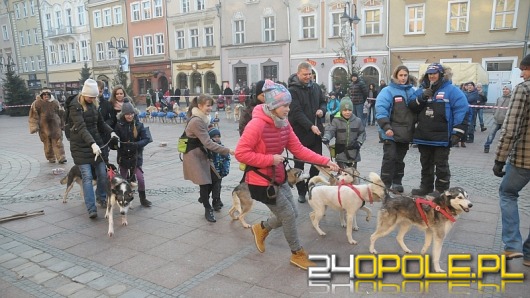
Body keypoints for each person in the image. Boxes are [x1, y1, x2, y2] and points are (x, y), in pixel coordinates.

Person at [235, 79, 339, 270]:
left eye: (289, 105)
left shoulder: (283, 123)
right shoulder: (256, 125)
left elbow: (298, 149)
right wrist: (269, 159)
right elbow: (241, 153)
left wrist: (325, 162)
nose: (288, 109)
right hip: (260, 181)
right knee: (288, 215)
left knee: (293, 213)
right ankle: (297, 254)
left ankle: (262, 227)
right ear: (273, 105)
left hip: (278, 176)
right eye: (284, 105)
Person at [492, 54, 530, 266]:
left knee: (507, 193)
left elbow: (510, 128)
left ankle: (512, 246)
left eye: (524, 69)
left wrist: (499, 159)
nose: (522, 73)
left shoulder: (524, 89)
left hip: (524, 159)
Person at [409, 63, 469, 196]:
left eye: (434, 73)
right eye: (429, 74)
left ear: (442, 75)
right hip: (423, 136)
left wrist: (458, 132)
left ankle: (441, 190)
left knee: (441, 166)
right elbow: (412, 106)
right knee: (425, 164)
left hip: (442, 138)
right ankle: (426, 187)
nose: (431, 76)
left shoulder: (452, 91)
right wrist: (422, 97)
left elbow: (462, 109)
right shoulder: (421, 90)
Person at [67, 79, 119, 218]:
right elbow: (82, 128)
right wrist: (92, 144)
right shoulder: (75, 106)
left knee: (102, 174)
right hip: (80, 147)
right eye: (90, 97)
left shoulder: (94, 105)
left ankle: (101, 197)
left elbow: (101, 123)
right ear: (84, 94)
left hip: (97, 145)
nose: (93, 99)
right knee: (88, 177)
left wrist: (111, 132)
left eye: (95, 97)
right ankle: (91, 208)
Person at [182, 95, 234, 223]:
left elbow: (208, 135)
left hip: (202, 154)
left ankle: (204, 197)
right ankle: (207, 208)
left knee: (215, 178)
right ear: (199, 106)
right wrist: (227, 150)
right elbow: (208, 143)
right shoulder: (197, 121)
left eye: (211, 105)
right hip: (194, 156)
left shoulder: (203, 118)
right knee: (205, 182)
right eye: (208, 105)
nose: (210, 108)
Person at [287, 61, 327, 203]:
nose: (308, 77)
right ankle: (301, 191)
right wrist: (310, 126)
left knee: (317, 162)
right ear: (298, 74)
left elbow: (323, 101)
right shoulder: (292, 91)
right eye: (305, 74)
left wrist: (322, 110)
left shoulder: (316, 87)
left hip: (315, 132)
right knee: (299, 165)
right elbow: (296, 112)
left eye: (310, 74)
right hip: (300, 133)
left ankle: (311, 185)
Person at [375, 65, 418, 193]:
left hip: (405, 133)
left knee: (400, 160)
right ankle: (385, 184)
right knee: (390, 158)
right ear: (395, 76)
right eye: (401, 75)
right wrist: (386, 127)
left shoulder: (411, 91)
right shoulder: (387, 91)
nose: (403, 78)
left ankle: (397, 181)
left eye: (405, 75)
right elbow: (381, 109)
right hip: (390, 132)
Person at [111, 100, 152, 207]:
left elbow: (147, 138)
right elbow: (114, 142)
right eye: (127, 114)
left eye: (131, 114)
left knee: (140, 178)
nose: (129, 116)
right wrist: (116, 142)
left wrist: (137, 144)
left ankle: (143, 199)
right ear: (123, 114)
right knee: (122, 180)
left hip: (135, 157)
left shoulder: (139, 125)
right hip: (123, 157)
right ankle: (121, 197)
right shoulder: (119, 125)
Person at [322, 97, 366, 169]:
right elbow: (330, 130)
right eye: (345, 110)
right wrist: (326, 137)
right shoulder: (336, 121)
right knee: (342, 175)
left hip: (354, 153)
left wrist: (359, 142)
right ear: (341, 110)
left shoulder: (358, 121)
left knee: (352, 175)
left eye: (349, 110)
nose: (347, 112)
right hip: (341, 153)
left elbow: (362, 133)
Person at [28, 88, 67, 164]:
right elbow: (33, 115)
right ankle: (50, 157)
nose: (46, 96)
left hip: (55, 126)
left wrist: (63, 124)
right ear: (41, 95)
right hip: (44, 127)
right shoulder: (37, 103)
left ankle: (61, 157)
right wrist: (34, 126)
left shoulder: (55, 102)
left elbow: (61, 113)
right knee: (47, 144)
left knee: (58, 142)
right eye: (44, 95)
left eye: (48, 94)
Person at [484, 84, 511, 153]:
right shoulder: (499, 98)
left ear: (510, 90)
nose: (505, 90)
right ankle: (487, 146)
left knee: (503, 136)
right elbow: (495, 107)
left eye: (507, 89)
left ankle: (502, 149)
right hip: (496, 120)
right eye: (504, 89)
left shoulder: (512, 99)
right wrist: (494, 113)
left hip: (505, 121)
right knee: (491, 134)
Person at [208, 126, 230, 211]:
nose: (217, 138)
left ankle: (217, 199)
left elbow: (227, 158)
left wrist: (225, 169)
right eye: (214, 137)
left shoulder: (222, 147)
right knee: (214, 187)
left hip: (220, 172)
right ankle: (214, 201)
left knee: (218, 186)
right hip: (212, 172)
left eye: (218, 136)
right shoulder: (210, 148)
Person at [97, 80, 114, 162]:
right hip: (92, 134)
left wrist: (104, 124)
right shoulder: (88, 104)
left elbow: (112, 119)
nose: (98, 93)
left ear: (103, 90)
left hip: (103, 135)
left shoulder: (107, 104)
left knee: (104, 158)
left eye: (100, 91)